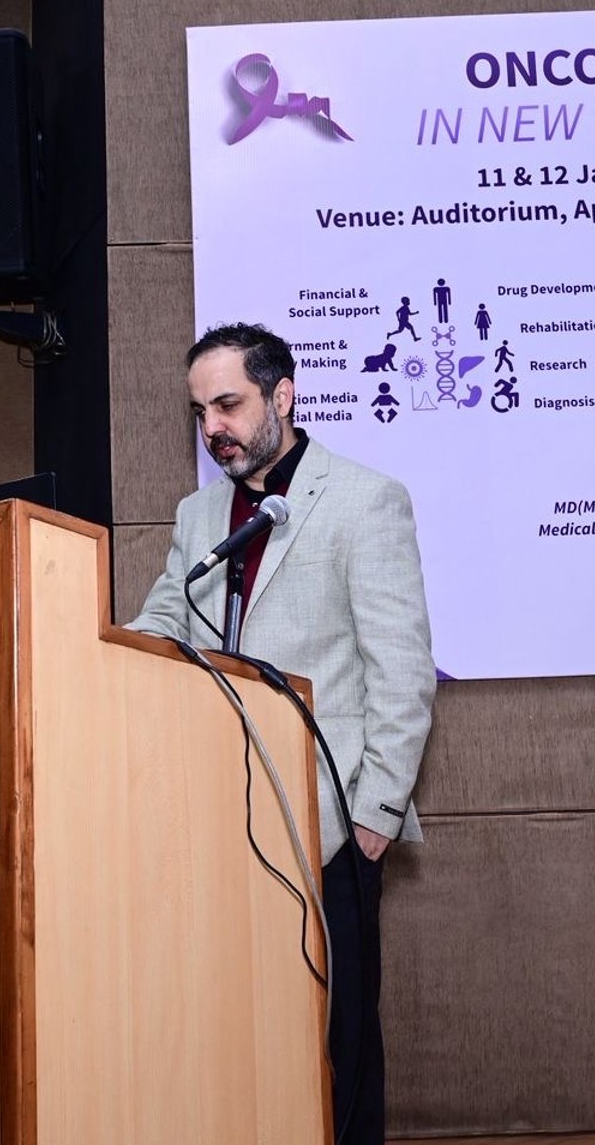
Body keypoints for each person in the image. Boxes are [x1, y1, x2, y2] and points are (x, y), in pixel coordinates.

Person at [127, 322, 436, 1145]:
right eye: (200, 412)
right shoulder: (200, 514)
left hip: (331, 826)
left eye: (228, 404)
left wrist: (373, 818)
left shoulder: (364, 499)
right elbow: (164, 618)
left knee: (341, 1041)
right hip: (222, 825)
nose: (213, 427)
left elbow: (401, 671)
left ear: (283, 395)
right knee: (246, 1029)